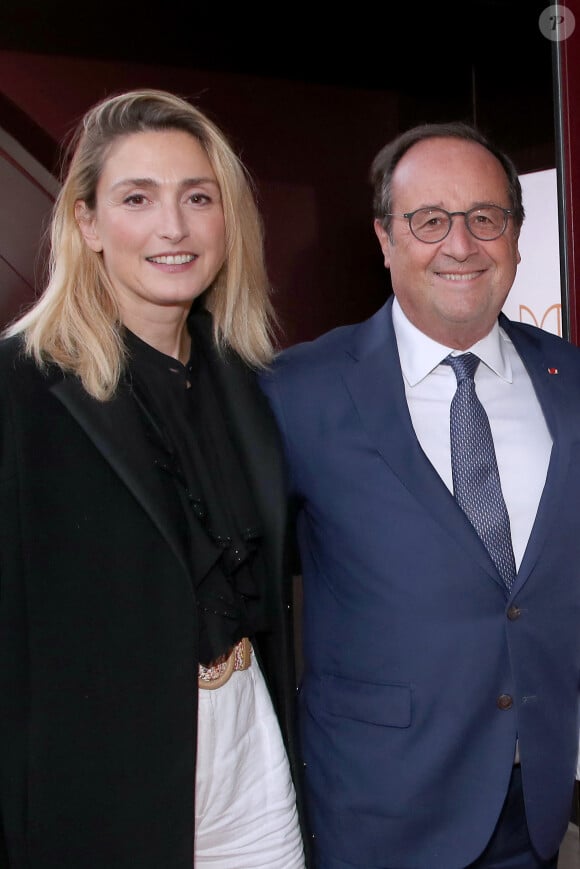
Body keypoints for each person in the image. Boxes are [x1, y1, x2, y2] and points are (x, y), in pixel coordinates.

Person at [259, 121, 580, 869]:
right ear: (384, 237)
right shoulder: (295, 390)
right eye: (429, 220)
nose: (461, 245)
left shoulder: (570, 382)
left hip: (534, 811)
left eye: (484, 218)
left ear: (516, 233)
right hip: (378, 809)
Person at [0, 88, 307, 868]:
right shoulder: (18, 387)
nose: (173, 227)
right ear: (88, 222)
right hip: (105, 781)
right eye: (138, 198)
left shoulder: (246, 382)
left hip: (249, 742)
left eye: (197, 198)